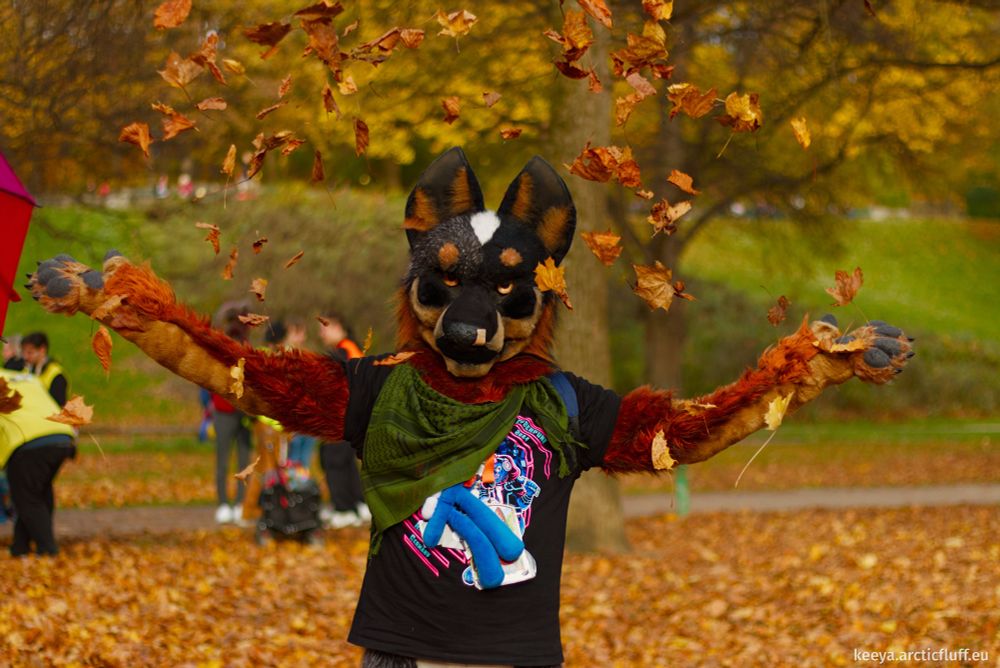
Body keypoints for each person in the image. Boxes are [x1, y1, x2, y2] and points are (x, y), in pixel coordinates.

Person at [1, 369, 77, 556]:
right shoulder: (25, 376)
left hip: (29, 441)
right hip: (61, 434)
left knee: (27, 498)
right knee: (37, 491)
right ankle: (20, 547)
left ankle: (48, 550)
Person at [317, 312, 369, 528]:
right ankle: (358, 505)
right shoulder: (352, 348)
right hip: (354, 416)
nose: (320, 333)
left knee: (334, 460)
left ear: (338, 326)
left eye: (324, 327)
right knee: (346, 462)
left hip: (342, 416)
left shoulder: (343, 351)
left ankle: (343, 508)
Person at [211, 304, 253, 525]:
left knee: (244, 460)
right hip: (223, 411)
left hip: (244, 413)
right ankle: (223, 504)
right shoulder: (221, 348)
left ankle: (239, 502)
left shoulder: (248, 347)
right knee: (223, 460)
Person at [20, 332, 67, 406]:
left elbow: (58, 408)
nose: (25, 357)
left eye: (30, 352)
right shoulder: (27, 369)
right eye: (23, 352)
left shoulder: (57, 376)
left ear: (42, 350)